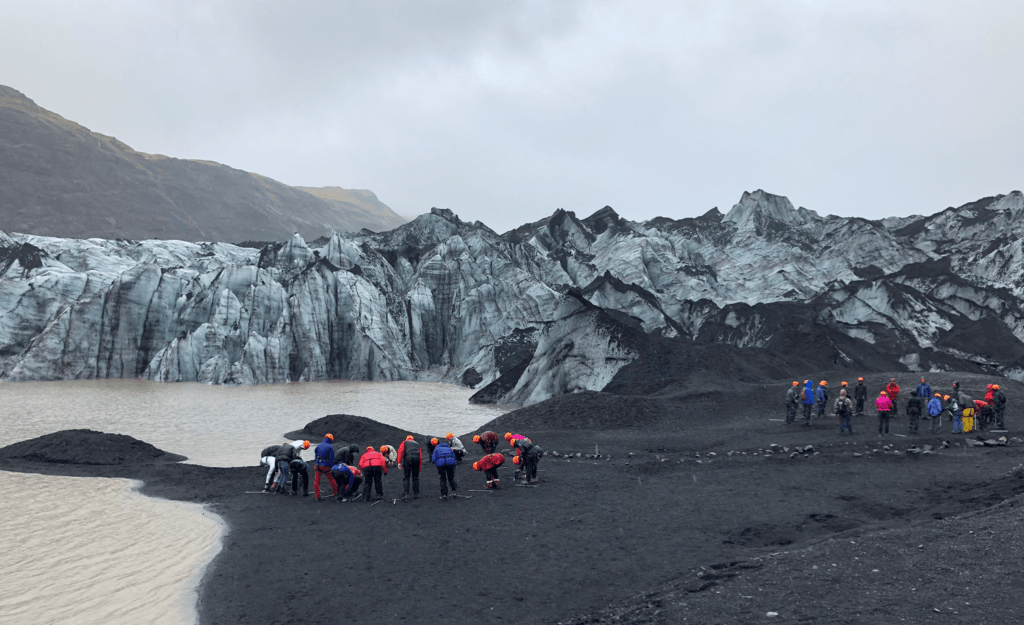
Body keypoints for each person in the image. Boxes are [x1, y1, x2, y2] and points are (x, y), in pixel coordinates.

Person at [313, 434, 338, 501]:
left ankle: (317, 496)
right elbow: (331, 459)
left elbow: (315, 456)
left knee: (316, 481)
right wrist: (332, 467)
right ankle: (336, 493)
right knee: (331, 479)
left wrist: (316, 464)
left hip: (317, 465)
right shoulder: (330, 447)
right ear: (330, 439)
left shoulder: (318, 446)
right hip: (325, 466)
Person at [397, 435, 422, 500]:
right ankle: (416, 494)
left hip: (408, 460)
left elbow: (400, 451)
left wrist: (399, 462)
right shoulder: (417, 444)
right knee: (415, 477)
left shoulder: (404, 442)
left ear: (407, 438)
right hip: (416, 460)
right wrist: (419, 467)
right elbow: (420, 456)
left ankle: (406, 494)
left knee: (406, 477)